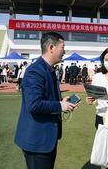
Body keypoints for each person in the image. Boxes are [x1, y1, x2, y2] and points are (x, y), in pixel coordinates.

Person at [14, 32, 76, 169]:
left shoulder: (49, 70)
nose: (64, 51)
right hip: (37, 141)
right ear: (52, 47)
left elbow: (47, 97)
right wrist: (60, 105)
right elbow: (33, 104)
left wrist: (62, 101)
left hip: (47, 139)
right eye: (62, 47)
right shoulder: (35, 71)